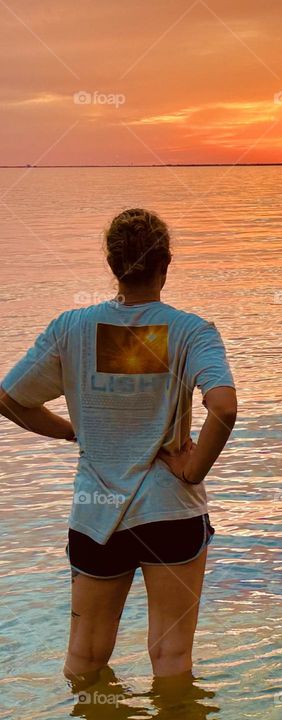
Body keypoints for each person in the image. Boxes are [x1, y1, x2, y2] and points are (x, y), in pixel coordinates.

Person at [0, 208, 238, 683]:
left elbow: (9, 399)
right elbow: (224, 408)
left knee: (85, 660)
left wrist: (73, 431)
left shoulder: (71, 327)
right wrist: (192, 471)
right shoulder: (192, 331)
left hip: (97, 512)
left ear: (112, 265)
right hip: (170, 512)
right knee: (171, 661)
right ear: (165, 265)